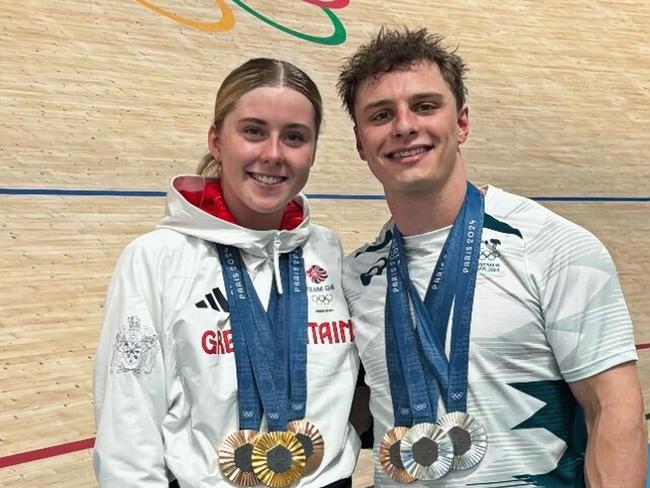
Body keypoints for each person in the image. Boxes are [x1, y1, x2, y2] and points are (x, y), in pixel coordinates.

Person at [338, 28, 646, 487]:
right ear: (362, 144)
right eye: (381, 114)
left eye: (425, 106)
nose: (404, 125)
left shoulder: (554, 247)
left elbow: (613, 409)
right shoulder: (356, 276)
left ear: (461, 122)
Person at [93, 58, 360, 488]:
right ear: (217, 141)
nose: (273, 154)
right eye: (253, 131)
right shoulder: (156, 258)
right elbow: (128, 429)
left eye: (294, 137)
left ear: (312, 151)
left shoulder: (327, 251)